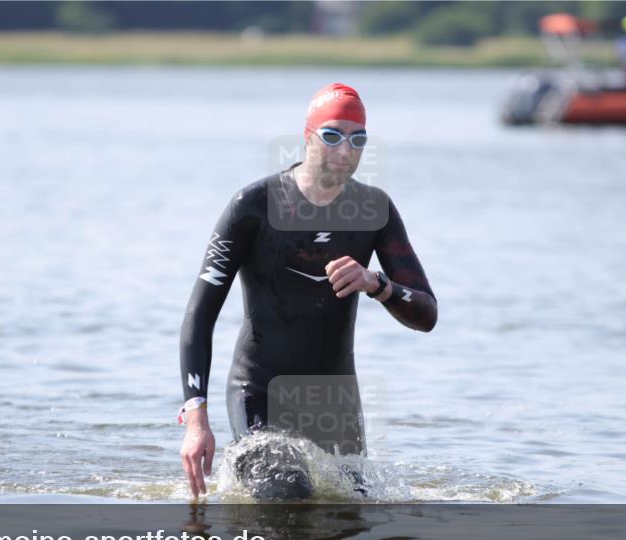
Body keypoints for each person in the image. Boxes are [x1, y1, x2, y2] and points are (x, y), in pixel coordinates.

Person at [178, 83, 437, 499]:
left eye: (358, 138)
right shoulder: (253, 205)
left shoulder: (375, 210)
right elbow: (199, 316)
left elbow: (428, 315)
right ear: (308, 136)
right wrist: (196, 420)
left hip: (333, 400)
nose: (345, 149)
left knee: (350, 511)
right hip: (259, 391)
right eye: (332, 135)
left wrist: (377, 285)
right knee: (286, 494)